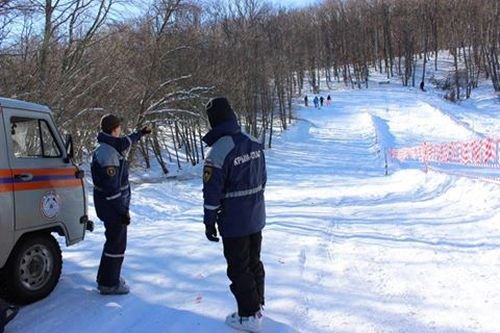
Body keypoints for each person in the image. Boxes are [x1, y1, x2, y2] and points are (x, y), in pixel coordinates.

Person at [202, 97, 266, 333]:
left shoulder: (217, 152)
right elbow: (263, 179)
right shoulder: (253, 141)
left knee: (239, 267)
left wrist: (209, 222)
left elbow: (211, 193)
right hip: (256, 215)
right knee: (253, 261)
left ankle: (249, 315)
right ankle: (256, 304)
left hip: (234, 221)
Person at [91, 114, 151, 295]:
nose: (121, 131)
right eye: (119, 128)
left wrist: (141, 133)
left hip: (113, 205)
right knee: (116, 244)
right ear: (113, 130)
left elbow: (126, 141)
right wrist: (122, 211)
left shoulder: (111, 145)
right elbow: (111, 189)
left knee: (113, 240)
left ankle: (105, 278)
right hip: (112, 206)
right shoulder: (107, 153)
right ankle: (109, 284)